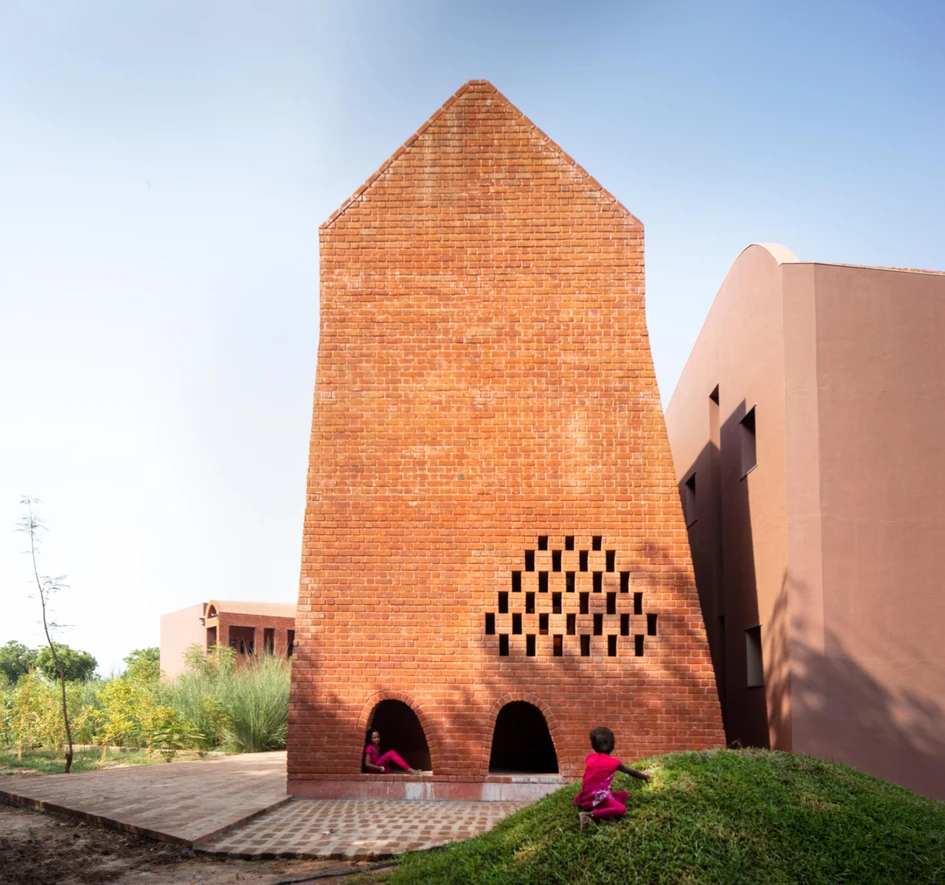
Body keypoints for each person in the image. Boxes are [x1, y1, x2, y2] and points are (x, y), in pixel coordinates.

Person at [574, 726, 651, 829]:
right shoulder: (615, 763)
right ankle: (589, 816)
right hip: (597, 798)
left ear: (593, 744)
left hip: (586, 796)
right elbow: (632, 772)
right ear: (612, 744)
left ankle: (593, 807)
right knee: (621, 809)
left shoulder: (590, 758)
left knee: (623, 795)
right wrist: (645, 776)